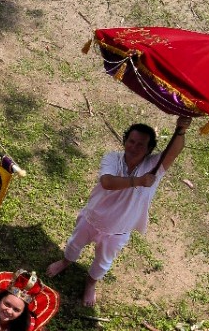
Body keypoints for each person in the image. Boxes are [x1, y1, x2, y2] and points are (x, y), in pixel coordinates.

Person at [46, 116, 193, 306]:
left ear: (149, 149)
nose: (134, 147)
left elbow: (173, 152)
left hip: (119, 229)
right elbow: (107, 182)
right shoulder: (112, 158)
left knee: (103, 261)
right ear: (125, 141)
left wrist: (181, 130)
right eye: (131, 141)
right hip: (92, 218)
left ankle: (91, 283)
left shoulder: (154, 166)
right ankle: (65, 262)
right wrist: (139, 181)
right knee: (75, 243)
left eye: (141, 145)